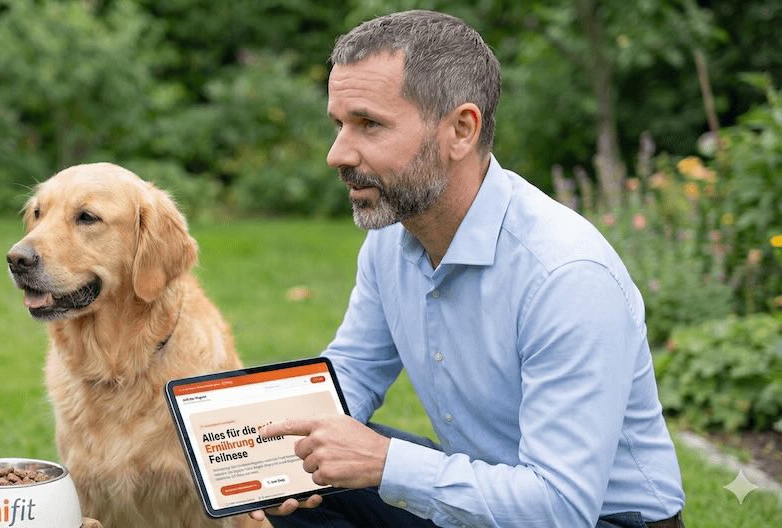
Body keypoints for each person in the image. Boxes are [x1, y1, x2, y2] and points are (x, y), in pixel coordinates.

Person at [249, 10, 685, 528]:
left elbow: (561, 507)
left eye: (368, 124)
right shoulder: (392, 240)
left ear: (460, 130)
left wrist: (385, 463)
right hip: (481, 495)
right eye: (339, 124)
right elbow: (352, 373)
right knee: (306, 475)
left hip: (597, 520)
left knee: (359, 466)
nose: (336, 153)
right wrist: (260, 447)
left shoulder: (566, 275)